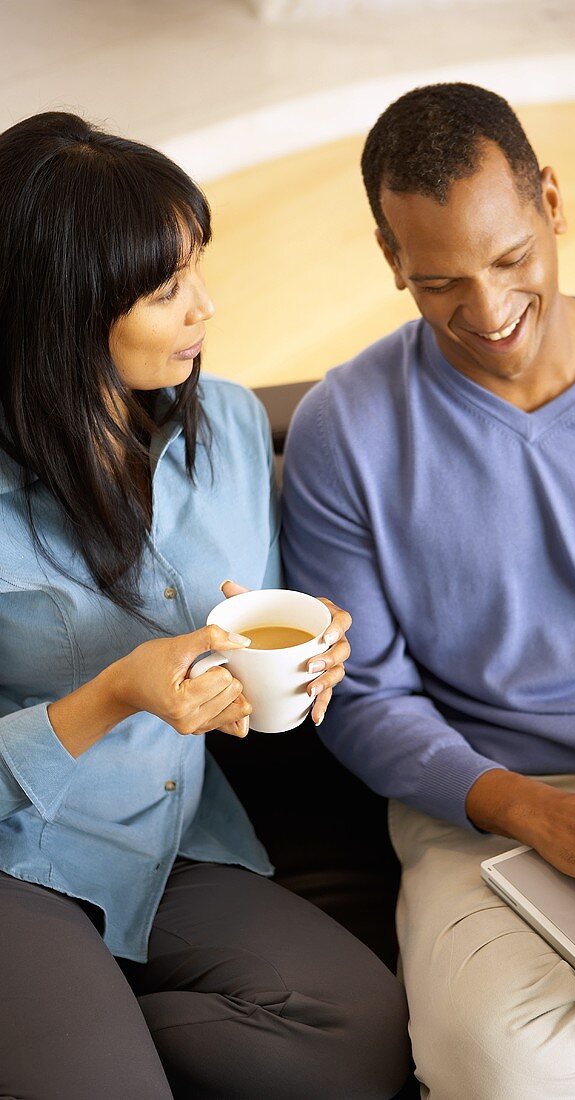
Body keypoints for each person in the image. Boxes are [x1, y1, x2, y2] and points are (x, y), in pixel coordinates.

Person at [281, 82, 575, 1097]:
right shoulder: (340, 432)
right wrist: (534, 810)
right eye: (437, 280)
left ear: (552, 205)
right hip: (486, 794)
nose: (485, 313)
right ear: (390, 258)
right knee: (489, 1068)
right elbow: (358, 697)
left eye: (509, 259)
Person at [0, 111, 410, 1100]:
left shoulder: (224, 423)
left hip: (172, 833)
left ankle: (90, 1031)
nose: (205, 307)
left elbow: (260, 607)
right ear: (62, 309)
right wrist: (111, 694)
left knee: (356, 1038)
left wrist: (316, 649)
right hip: (18, 850)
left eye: (197, 270)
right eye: (166, 289)